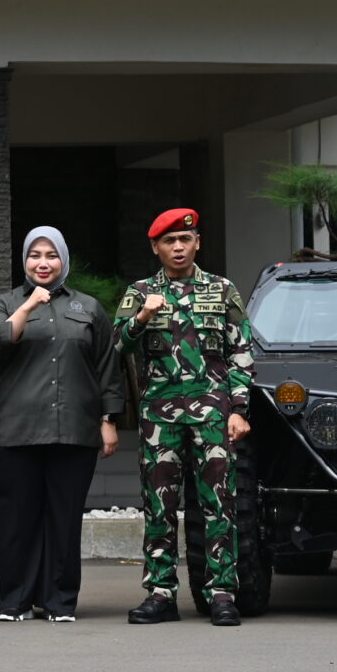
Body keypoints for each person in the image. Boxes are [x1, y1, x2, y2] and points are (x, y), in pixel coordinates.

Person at [115, 208, 256, 627]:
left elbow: (242, 352)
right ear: (155, 247)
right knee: (159, 507)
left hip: (214, 414)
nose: (178, 247)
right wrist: (141, 318)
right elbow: (117, 347)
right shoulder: (139, 292)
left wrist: (240, 410)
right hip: (159, 417)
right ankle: (160, 594)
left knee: (219, 504)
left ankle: (222, 594)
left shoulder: (222, 289)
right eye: (170, 241)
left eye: (185, 240)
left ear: (198, 243)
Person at [0, 226, 124, 622]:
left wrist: (108, 419)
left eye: (52, 255)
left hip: (74, 428)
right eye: (34, 256)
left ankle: (60, 600)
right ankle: (15, 600)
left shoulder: (88, 308)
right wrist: (27, 307)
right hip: (18, 428)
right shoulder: (4, 301)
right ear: (24, 260)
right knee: (16, 518)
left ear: (64, 260)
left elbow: (107, 367)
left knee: (64, 517)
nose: (43, 263)